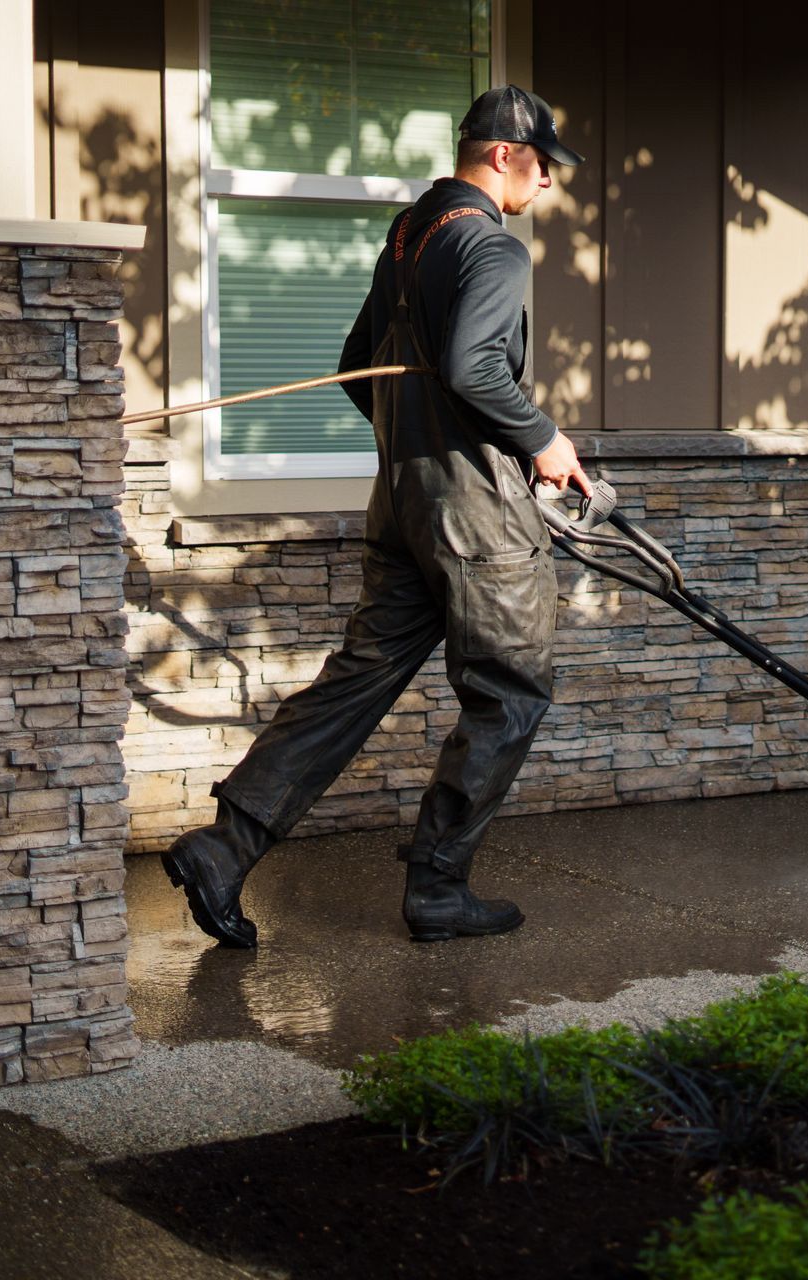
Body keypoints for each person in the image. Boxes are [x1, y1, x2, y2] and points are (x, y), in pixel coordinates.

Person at [161, 86, 591, 949]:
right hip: (475, 512)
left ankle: (224, 846)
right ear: (503, 154)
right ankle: (438, 886)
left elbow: (358, 364)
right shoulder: (495, 249)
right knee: (510, 692)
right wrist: (544, 442)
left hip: (400, 502)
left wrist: (415, 447)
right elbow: (474, 370)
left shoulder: (410, 235)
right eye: (542, 162)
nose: (548, 181)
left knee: (355, 681)